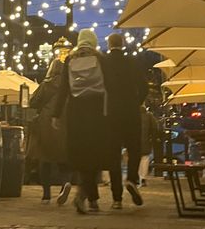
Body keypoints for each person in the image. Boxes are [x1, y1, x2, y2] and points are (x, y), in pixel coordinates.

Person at [52, 28, 109, 214]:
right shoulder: (101, 60)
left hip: (75, 113)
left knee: (81, 155)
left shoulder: (70, 59)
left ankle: (89, 198)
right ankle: (85, 196)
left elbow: (63, 90)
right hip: (97, 113)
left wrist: (56, 114)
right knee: (94, 156)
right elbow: (109, 87)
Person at [105, 32, 147, 208]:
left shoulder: (104, 63)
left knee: (113, 154)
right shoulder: (133, 62)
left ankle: (116, 198)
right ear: (123, 44)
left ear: (109, 44)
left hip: (111, 113)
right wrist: (135, 102)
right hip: (131, 112)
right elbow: (144, 88)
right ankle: (131, 178)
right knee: (134, 148)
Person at [27, 42, 72, 206]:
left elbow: (33, 101)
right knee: (63, 158)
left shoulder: (46, 85)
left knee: (44, 159)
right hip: (63, 123)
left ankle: (46, 195)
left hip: (46, 124)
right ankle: (65, 183)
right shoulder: (69, 85)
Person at [139, 104, 158, 186]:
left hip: (134, 142)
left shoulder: (131, 115)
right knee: (145, 159)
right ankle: (142, 178)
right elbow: (155, 128)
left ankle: (135, 177)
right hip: (145, 141)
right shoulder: (149, 116)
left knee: (135, 159)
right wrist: (152, 138)